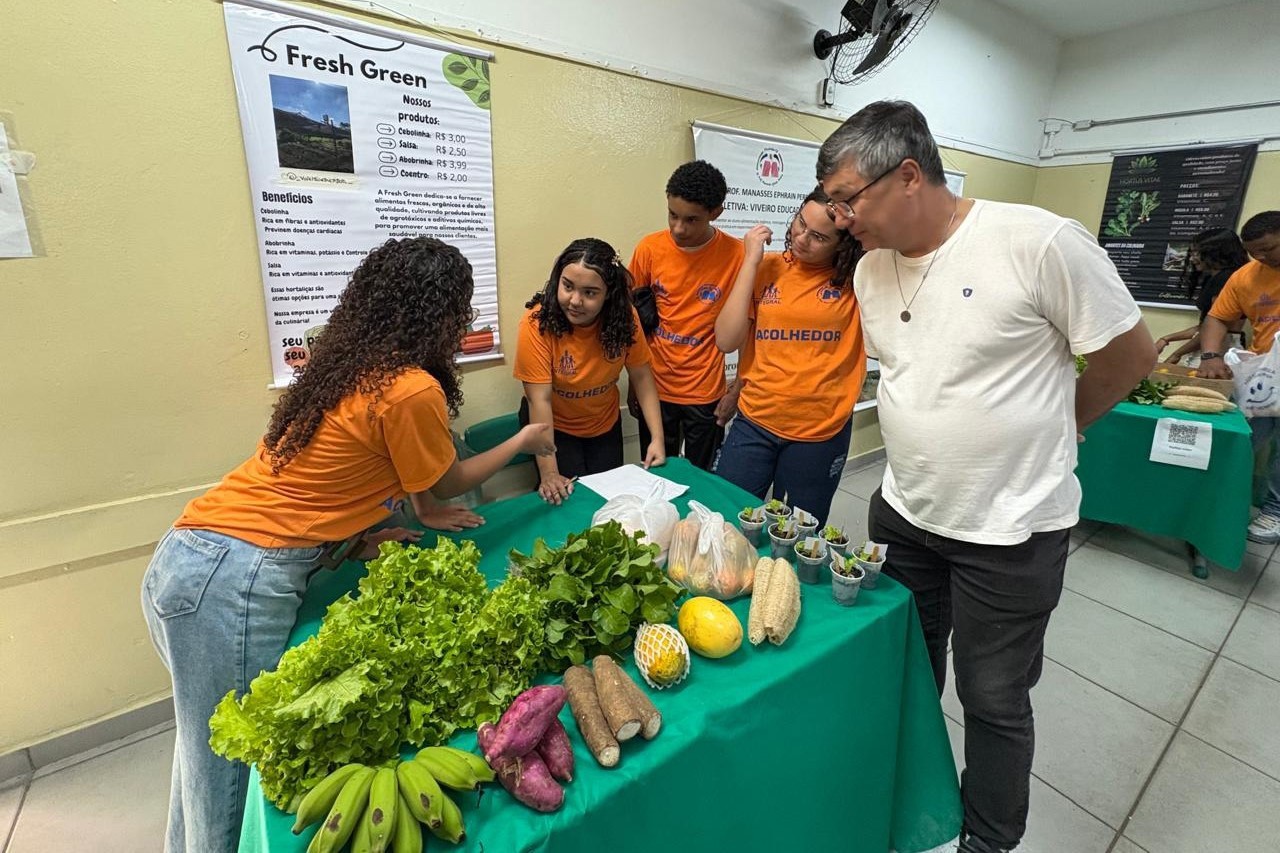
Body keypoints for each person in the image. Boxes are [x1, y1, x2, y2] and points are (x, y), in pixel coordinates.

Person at [140, 237, 556, 853]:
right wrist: (524, 441)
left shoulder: (349, 365)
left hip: (192, 558)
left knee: (202, 765)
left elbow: (331, 475)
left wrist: (357, 535)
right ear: (442, 314)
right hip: (233, 579)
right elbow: (447, 481)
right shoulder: (410, 388)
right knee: (226, 781)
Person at [816, 100, 1155, 853]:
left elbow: (1130, 356)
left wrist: (1062, 425)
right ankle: (912, 795)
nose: (839, 218)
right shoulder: (871, 268)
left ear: (909, 175)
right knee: (908, 668)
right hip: (905, 512)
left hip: (1011, 529)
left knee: (993, 696)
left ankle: (990, 837)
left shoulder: (1037, 241)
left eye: (847, 199)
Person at [713, 187, 866, 525]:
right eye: (800, 223)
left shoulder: (858, 279)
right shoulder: (767, 267)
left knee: (800, 532)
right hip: (757, 418)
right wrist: (750, 262)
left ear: (843, 245)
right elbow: (726, 340)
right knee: (727, 517)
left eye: (818, 237)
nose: (801, 238)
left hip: (820, 429)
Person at [515, 237, 666, 505]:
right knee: (567, 500)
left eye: (590, 293)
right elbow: (540, 401)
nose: (575, 300)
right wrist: (549, 473)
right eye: (567, 286)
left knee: (607, 500)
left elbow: (642, 377)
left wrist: (657, 438)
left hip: (604, 424)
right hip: (554, 429)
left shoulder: (625, 317)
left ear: (608, 294)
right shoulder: (536, 323)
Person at [627, 160, 744, 469]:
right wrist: (634, 384)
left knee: (702, 477)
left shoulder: (737, 256)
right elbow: (634, 323)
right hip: (654, 388)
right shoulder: (649, 249)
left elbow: (751, 328)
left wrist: (736, 391)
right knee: (655, 472)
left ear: (715, 212)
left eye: (691, 219)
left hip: (705, 393)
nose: (678, 228)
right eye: (672, 215)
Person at [1196, 210, 1280, 542]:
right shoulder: (1245, 276)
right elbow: (1217, 318)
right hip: (1264, 376)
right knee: (1241, 440)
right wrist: (1211, 355)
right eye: (1254, 252)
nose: (1261, 257)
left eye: (1269, 249)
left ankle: (1275, 511)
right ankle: (1218, 498)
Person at [1155, 227, 1248, 364]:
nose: (1192, 259)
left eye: (1196, 253)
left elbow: (1216, 329)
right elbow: (1203, 327)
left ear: (1215, 253)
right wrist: (1166, 339)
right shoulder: (1213, 278)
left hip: (1219, 350)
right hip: (1211, 346)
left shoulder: (1225, 279)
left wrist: (1177, 354)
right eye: (1191, 253)